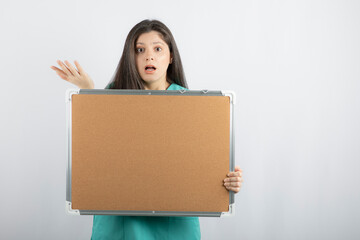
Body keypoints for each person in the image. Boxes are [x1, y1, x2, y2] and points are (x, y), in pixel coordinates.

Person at [51, 19, 243, 240]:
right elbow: (95, 154)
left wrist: (226, 181)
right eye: (140, 50)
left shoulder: (192, 104)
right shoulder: (112, 95)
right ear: (130, 57)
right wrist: (88, 92)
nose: (149, 56)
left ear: (171, 57)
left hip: (175, 220)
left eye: (158, 49)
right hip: (120, 219)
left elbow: (200, 164)